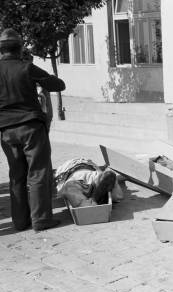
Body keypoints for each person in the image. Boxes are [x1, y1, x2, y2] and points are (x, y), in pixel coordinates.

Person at [0, 28, 65, 231]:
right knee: (38, 172)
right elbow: (58, 85)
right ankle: (41, 220)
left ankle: (20, 222)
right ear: (20, 48)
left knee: (16, 175)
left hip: (5, 131)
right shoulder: (27, 68)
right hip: (31, 127)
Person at [54, 158, 123, 207]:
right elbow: (86, 208)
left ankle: (95, 198)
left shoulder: (98, 176)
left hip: (86, 167)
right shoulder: (72, 186)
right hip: (70, 167)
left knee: (109, 177)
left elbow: (118, 196)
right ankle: (95, 199)